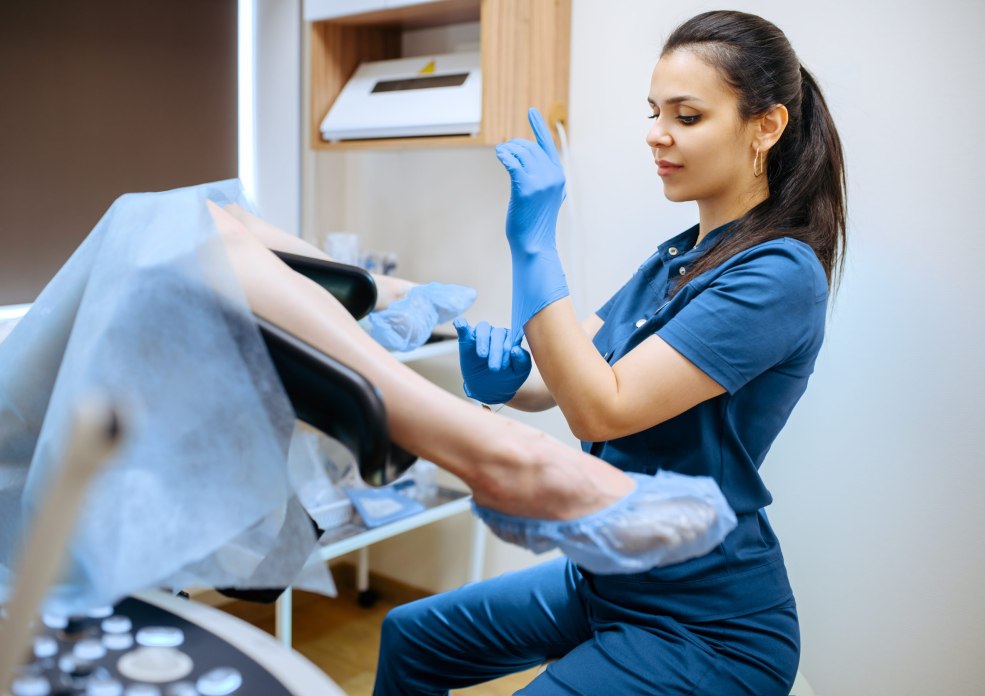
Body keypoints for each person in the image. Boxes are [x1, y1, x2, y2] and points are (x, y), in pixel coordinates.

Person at [375, 10, 846, 695]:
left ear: (765, 127)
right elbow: (564, 377)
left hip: (705, 621)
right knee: (412, 637)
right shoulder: (677, 259)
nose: (657, 134)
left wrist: (535, 242)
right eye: (654, 112)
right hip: (612, 572)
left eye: (686, 117)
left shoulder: (777, 274)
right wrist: (508, 381)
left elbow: (602, 409)